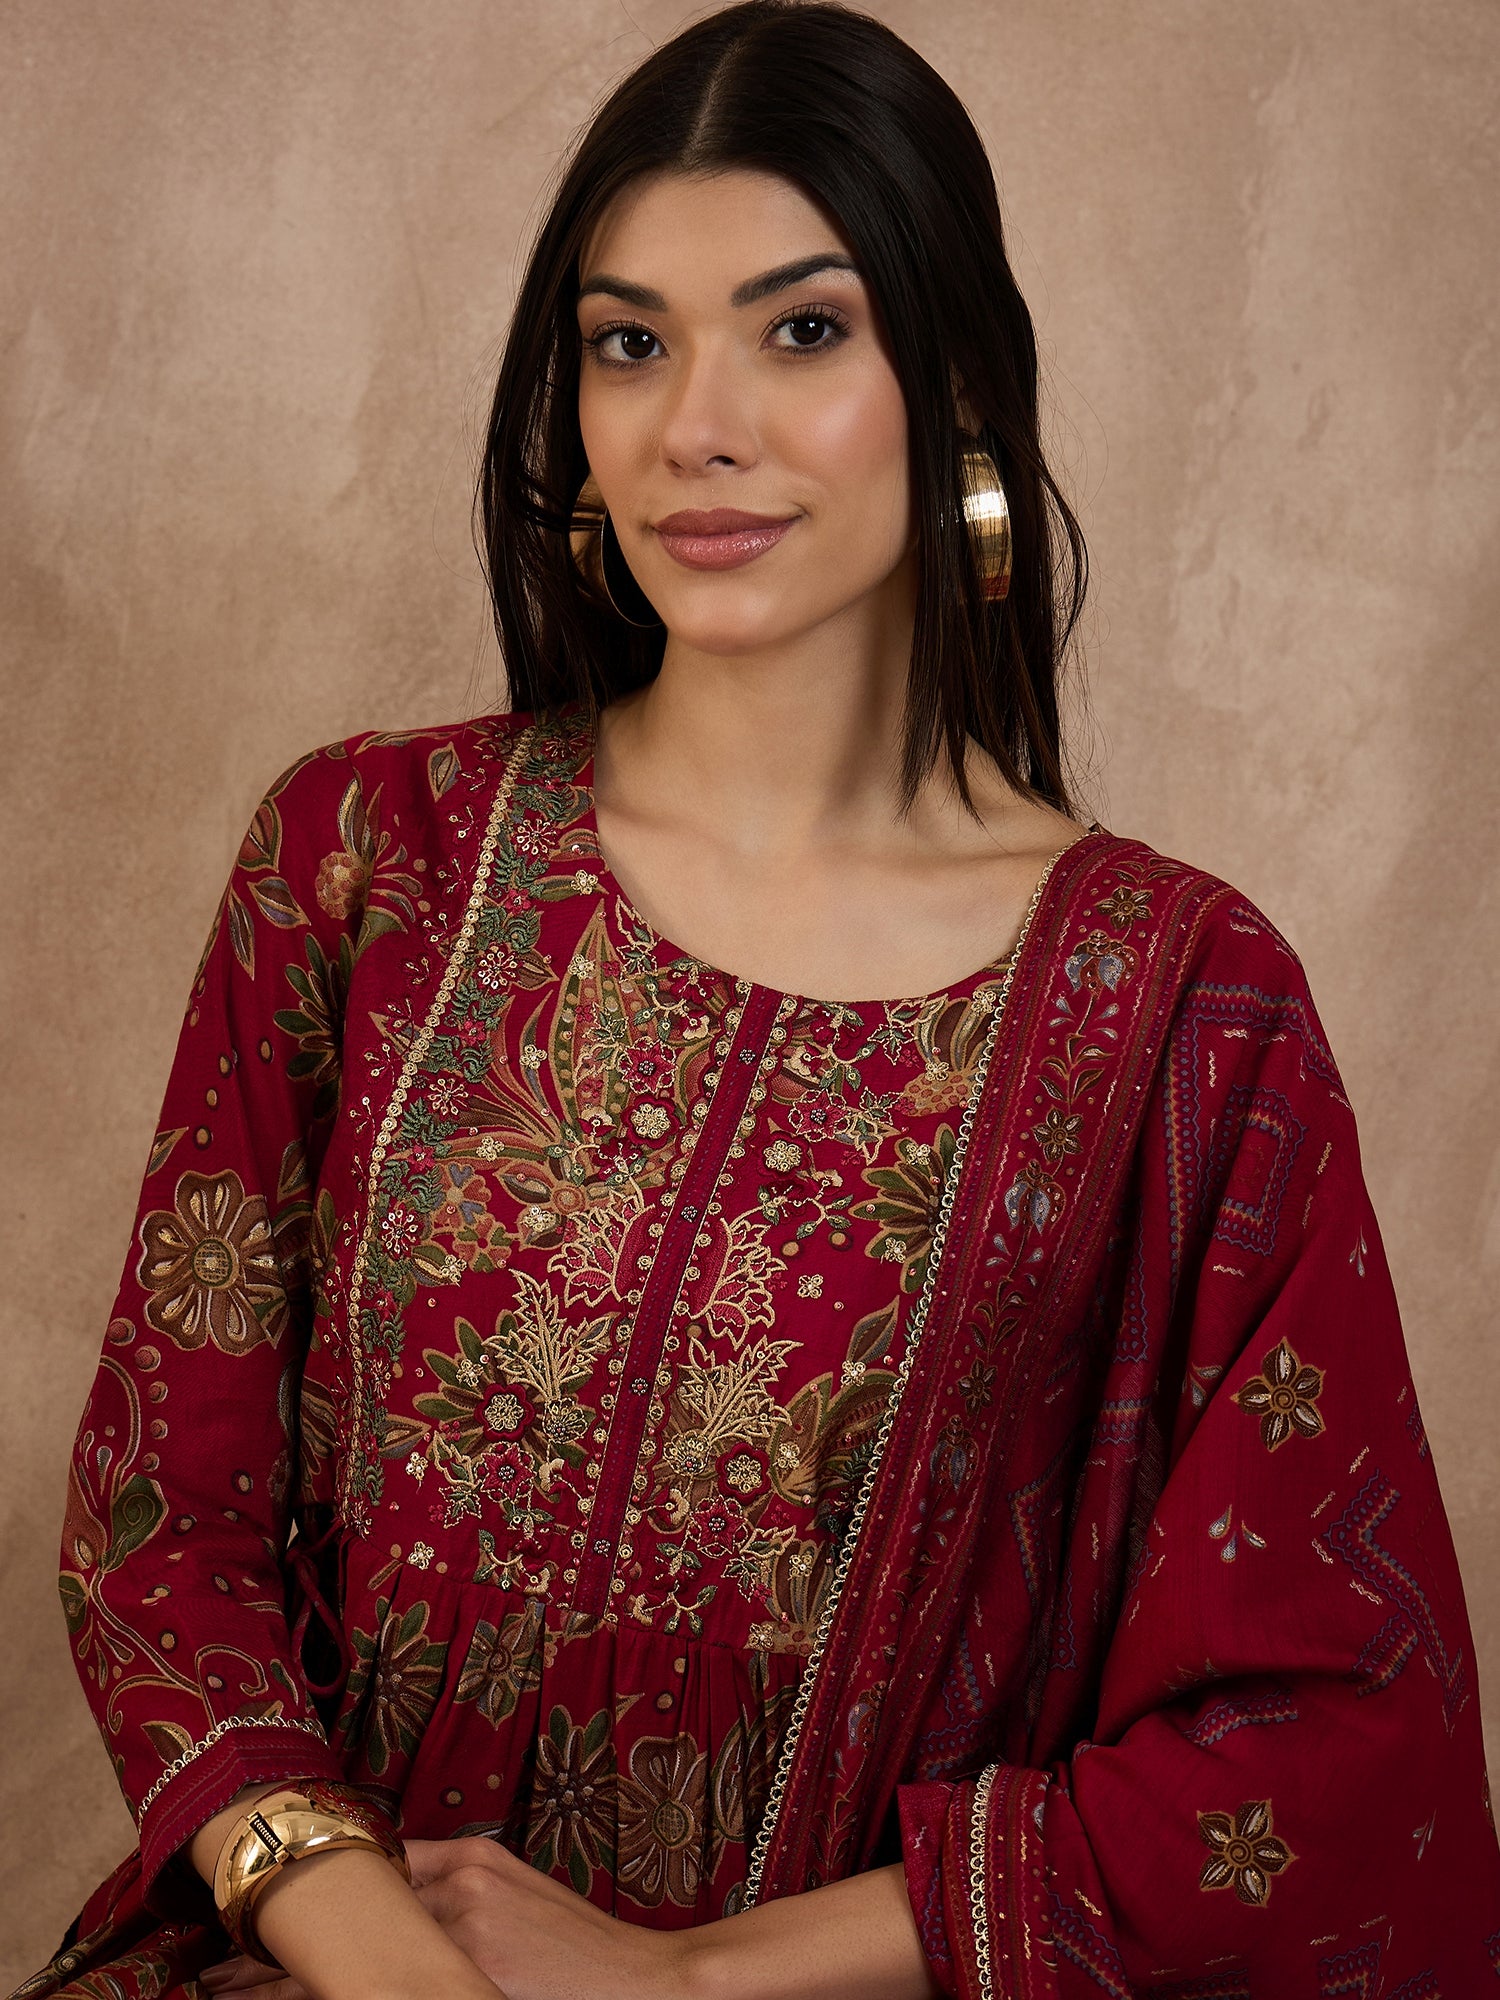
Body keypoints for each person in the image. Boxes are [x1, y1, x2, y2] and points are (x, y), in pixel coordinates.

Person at [16, 3, 1500, 1996]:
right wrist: (369, 1937)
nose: (694, 425)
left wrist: (686, 1978)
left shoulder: (1181, 1013)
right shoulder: (370, 861)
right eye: (630, 342)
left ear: (953, 381)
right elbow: (160, 1522)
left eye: (801, 330)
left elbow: (1331, 1755)